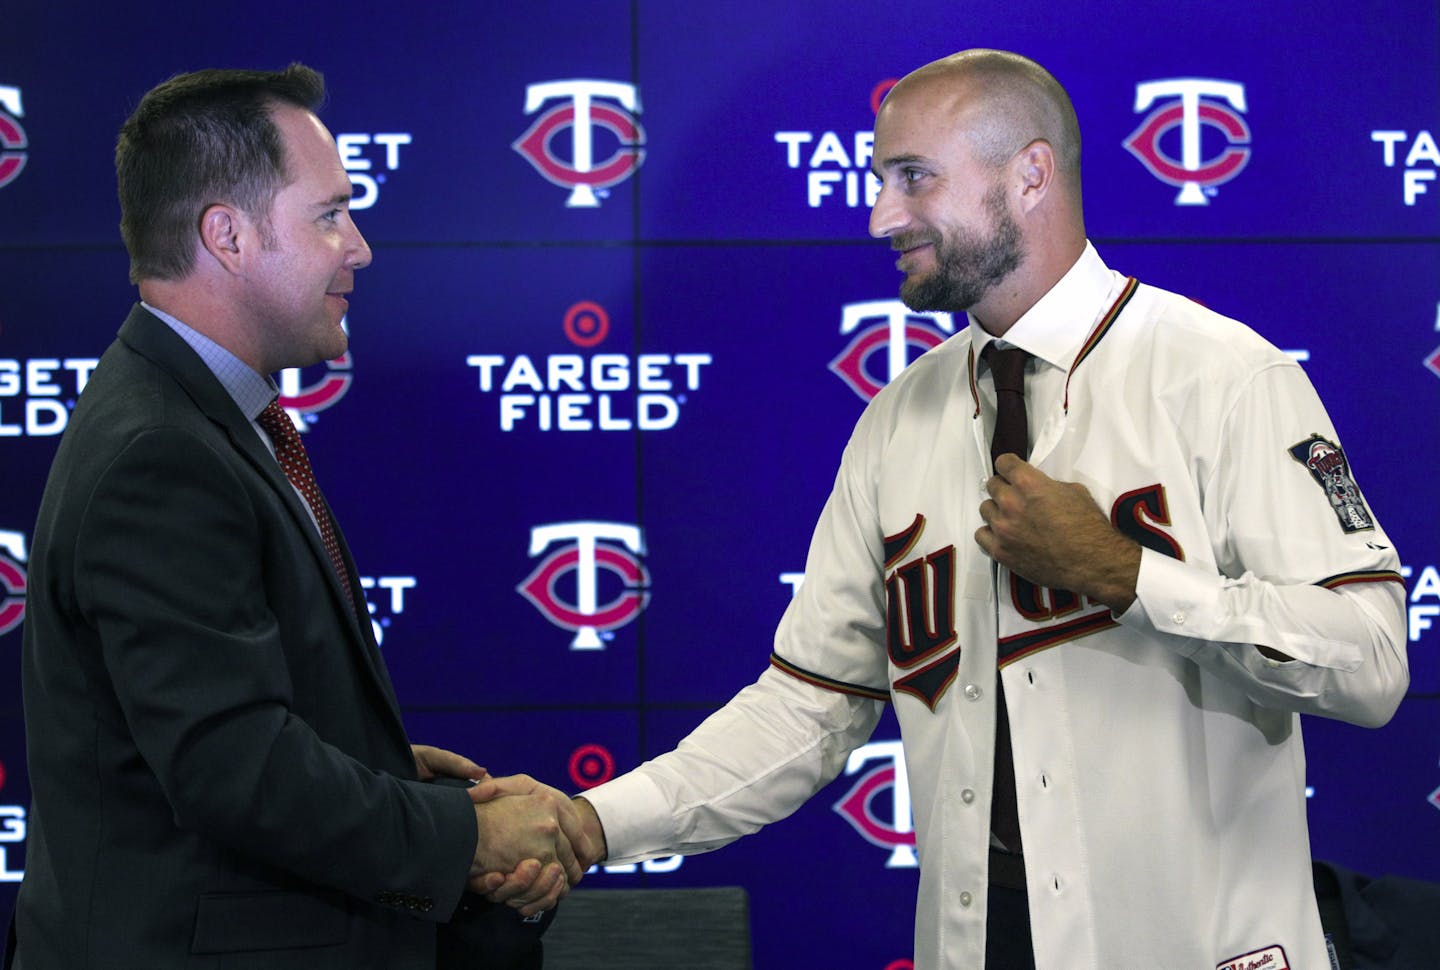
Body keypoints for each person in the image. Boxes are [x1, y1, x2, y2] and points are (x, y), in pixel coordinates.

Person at [485, 48, 1411, 968]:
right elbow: (807, 707)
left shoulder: (1223, 375)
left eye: (913, 178)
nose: (883, 214)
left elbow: (1370, 660)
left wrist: (1126, 575)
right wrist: (592, 822)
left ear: (1031, 175)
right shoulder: (899, 420)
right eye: (881, 178)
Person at [7, 64, 590, 969]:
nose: (357, 247)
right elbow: (233, 771)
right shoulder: (161, 453)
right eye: (329, 215)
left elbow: (227, 716)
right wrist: (464, 841)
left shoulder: (201, 419)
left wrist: (384, 774)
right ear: (228, 236)